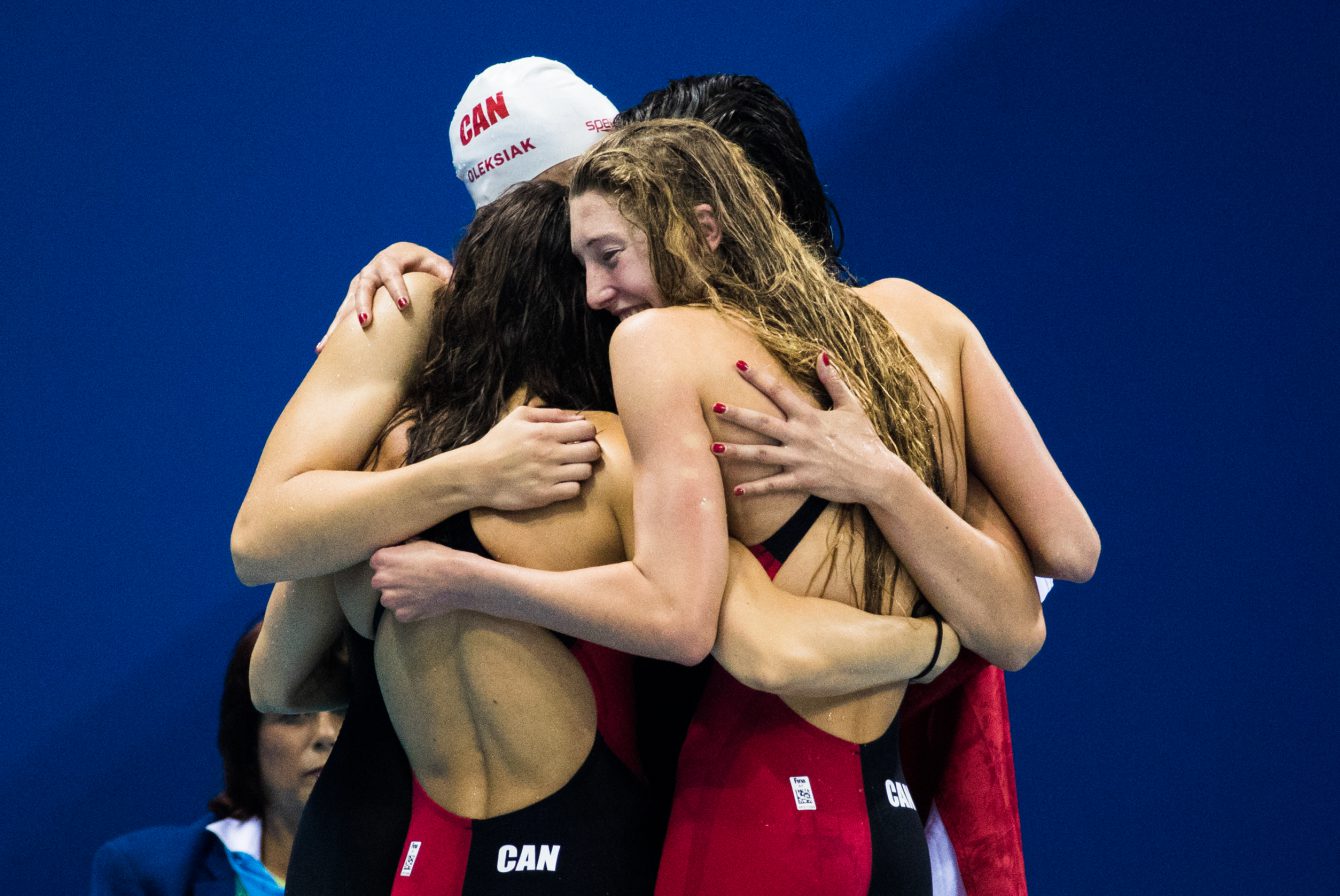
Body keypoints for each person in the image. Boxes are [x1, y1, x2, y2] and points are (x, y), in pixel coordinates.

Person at [367, 118, 1086, 895]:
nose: (595, 295)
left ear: (703, 229)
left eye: (609, 258)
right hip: (888, 828)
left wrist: (468, 578)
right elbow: (1057, 575)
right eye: (579, 266)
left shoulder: (660, 346)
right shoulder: (911, 330)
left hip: (757, 820)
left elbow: (701, 626)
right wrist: (892, 494)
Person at [90, 623, 344, 896]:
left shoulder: (394, 869)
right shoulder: (148, 876)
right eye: (293, 715)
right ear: (248, 738)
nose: (326, 734)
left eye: (344, 711)